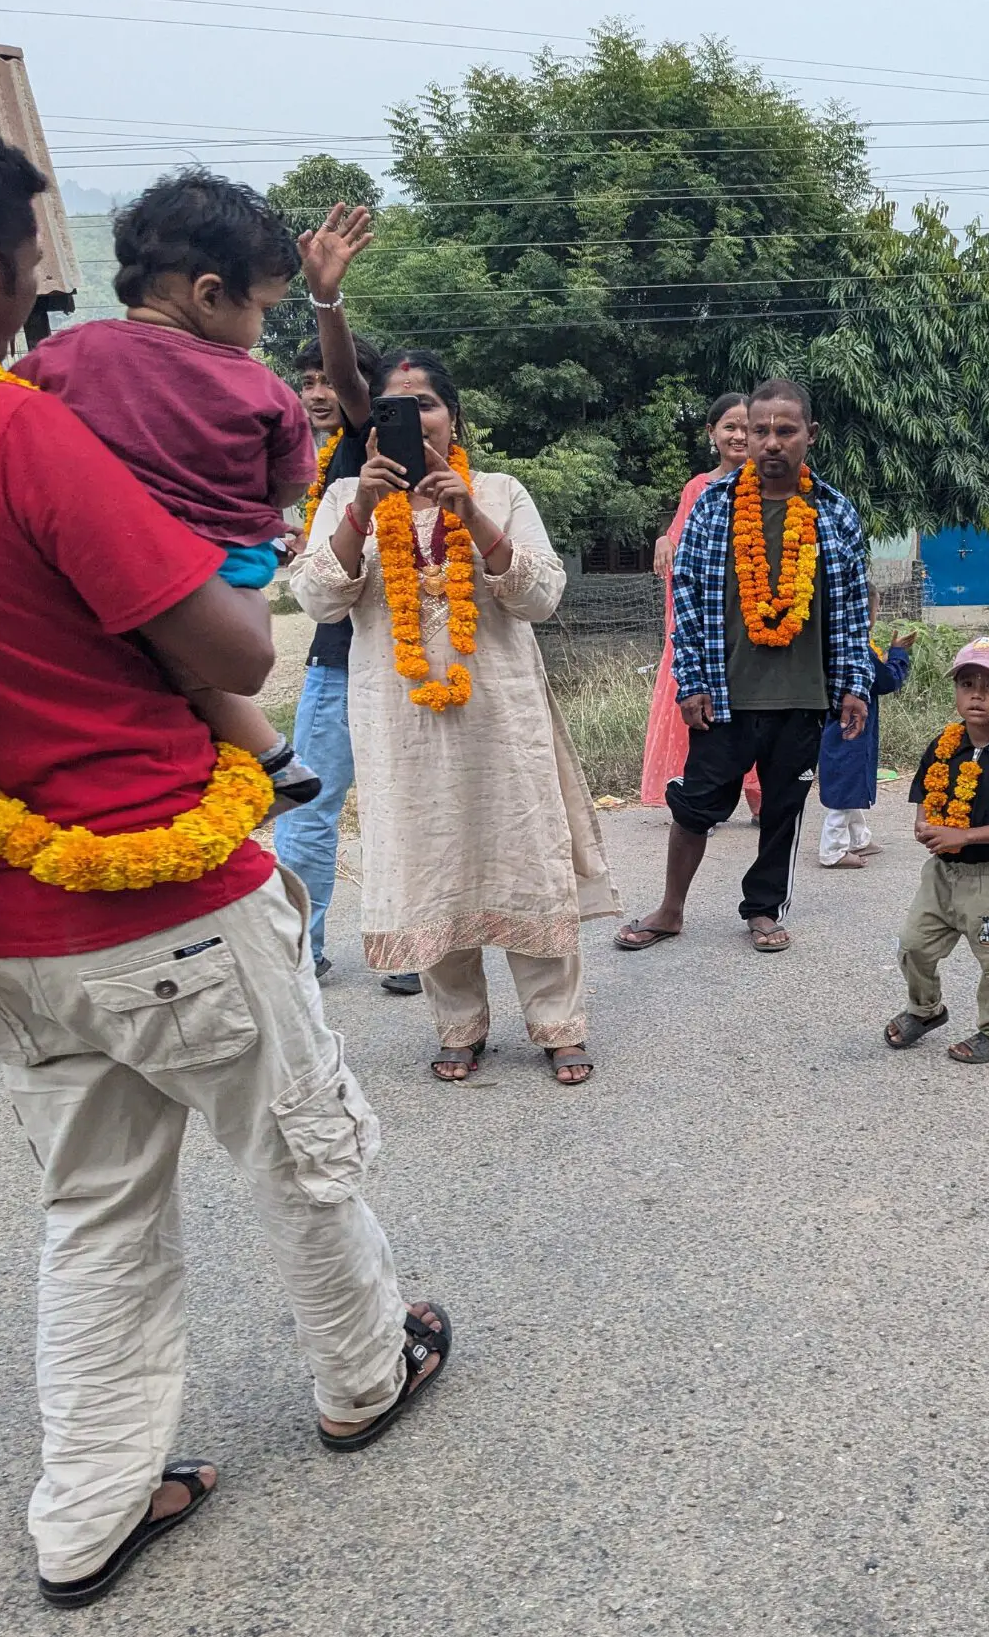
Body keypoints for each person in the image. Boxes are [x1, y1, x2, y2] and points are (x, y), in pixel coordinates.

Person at [0, 118, 450, 1607]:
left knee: (94, 1207)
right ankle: (364, 1374)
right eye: (30, 275)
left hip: (6, 922)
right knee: (296, 1147)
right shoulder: (10, 432)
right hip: (159, 886)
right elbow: (230, 642)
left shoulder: (39, 396)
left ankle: (86, 1513)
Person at [290, 341, 619, 1085]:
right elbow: (316, 598)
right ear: (370, 427)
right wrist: (367, 506)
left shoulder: (499, 490)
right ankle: (458, 1024)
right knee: (428, 858)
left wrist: (469, 513)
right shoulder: (347, 501)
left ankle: (557, 1022)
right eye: (392, 410)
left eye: (426, 404)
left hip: (501, 716)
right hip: (400, 723)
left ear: (453, 416)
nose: (414, 420)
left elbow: (540, 596)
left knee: (523, 855)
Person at [19, 169, 321, 817]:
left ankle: (264, 762)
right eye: (263, 310)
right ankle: (272, 762)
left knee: (160, 670)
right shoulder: (261, 388)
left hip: (107, 563)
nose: (262, 330)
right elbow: (296, 478)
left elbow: (11, 422)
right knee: (200, 672)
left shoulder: (66, 356)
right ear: (210, 295)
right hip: (231, 562)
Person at [616, 379, 873, 956]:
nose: (772, 442)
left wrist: (853, 684)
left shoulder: (832, 511)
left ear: (810, 435)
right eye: (761, 430)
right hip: (725, 695)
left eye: (786, 430)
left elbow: (855, 604)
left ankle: (763, 909)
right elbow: (686, 598)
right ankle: (671, 908)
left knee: (783, 810)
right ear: (746, 434)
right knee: (696, 805)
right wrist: (692, 681)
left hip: (804, 696)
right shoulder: (714, 505)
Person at [273, 206, 384, 982]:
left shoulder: (365, 437)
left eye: (327, 382)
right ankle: (301, 952)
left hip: (397, 658)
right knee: (309, 811)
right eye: (304, 381)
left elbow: (350, 381)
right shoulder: (294, 455)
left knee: (407, 810)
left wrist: (325, 301)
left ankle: (417, 942)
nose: (317, 392)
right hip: (331, 661)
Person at [885, 635, 989, 1064]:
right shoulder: (945, 744)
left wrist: (965, 836)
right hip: (941, 878)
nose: (977, 694)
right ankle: (926, 1010)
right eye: (966, 683)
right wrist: (925, 821)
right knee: (913, 945)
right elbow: (924, 789)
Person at [641, 393, 759, 818]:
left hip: (756, 617)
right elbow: (681, 547)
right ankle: (698, 797)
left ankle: (760, 797)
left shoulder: (774, 484)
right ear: (712, 434)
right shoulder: (698, 487)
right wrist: (663, 539)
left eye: (749, 426)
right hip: (709, 620)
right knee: (701, 700)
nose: (739, 435)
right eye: (730, 426)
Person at [818, 591, 914, 868]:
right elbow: (886, 681)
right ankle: (832, 850)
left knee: (852, 777)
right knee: (847, 782)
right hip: (852, 727)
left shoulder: (829, 642)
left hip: (835, 725)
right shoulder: (859, 649)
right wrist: (898, 654)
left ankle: (859, 838)